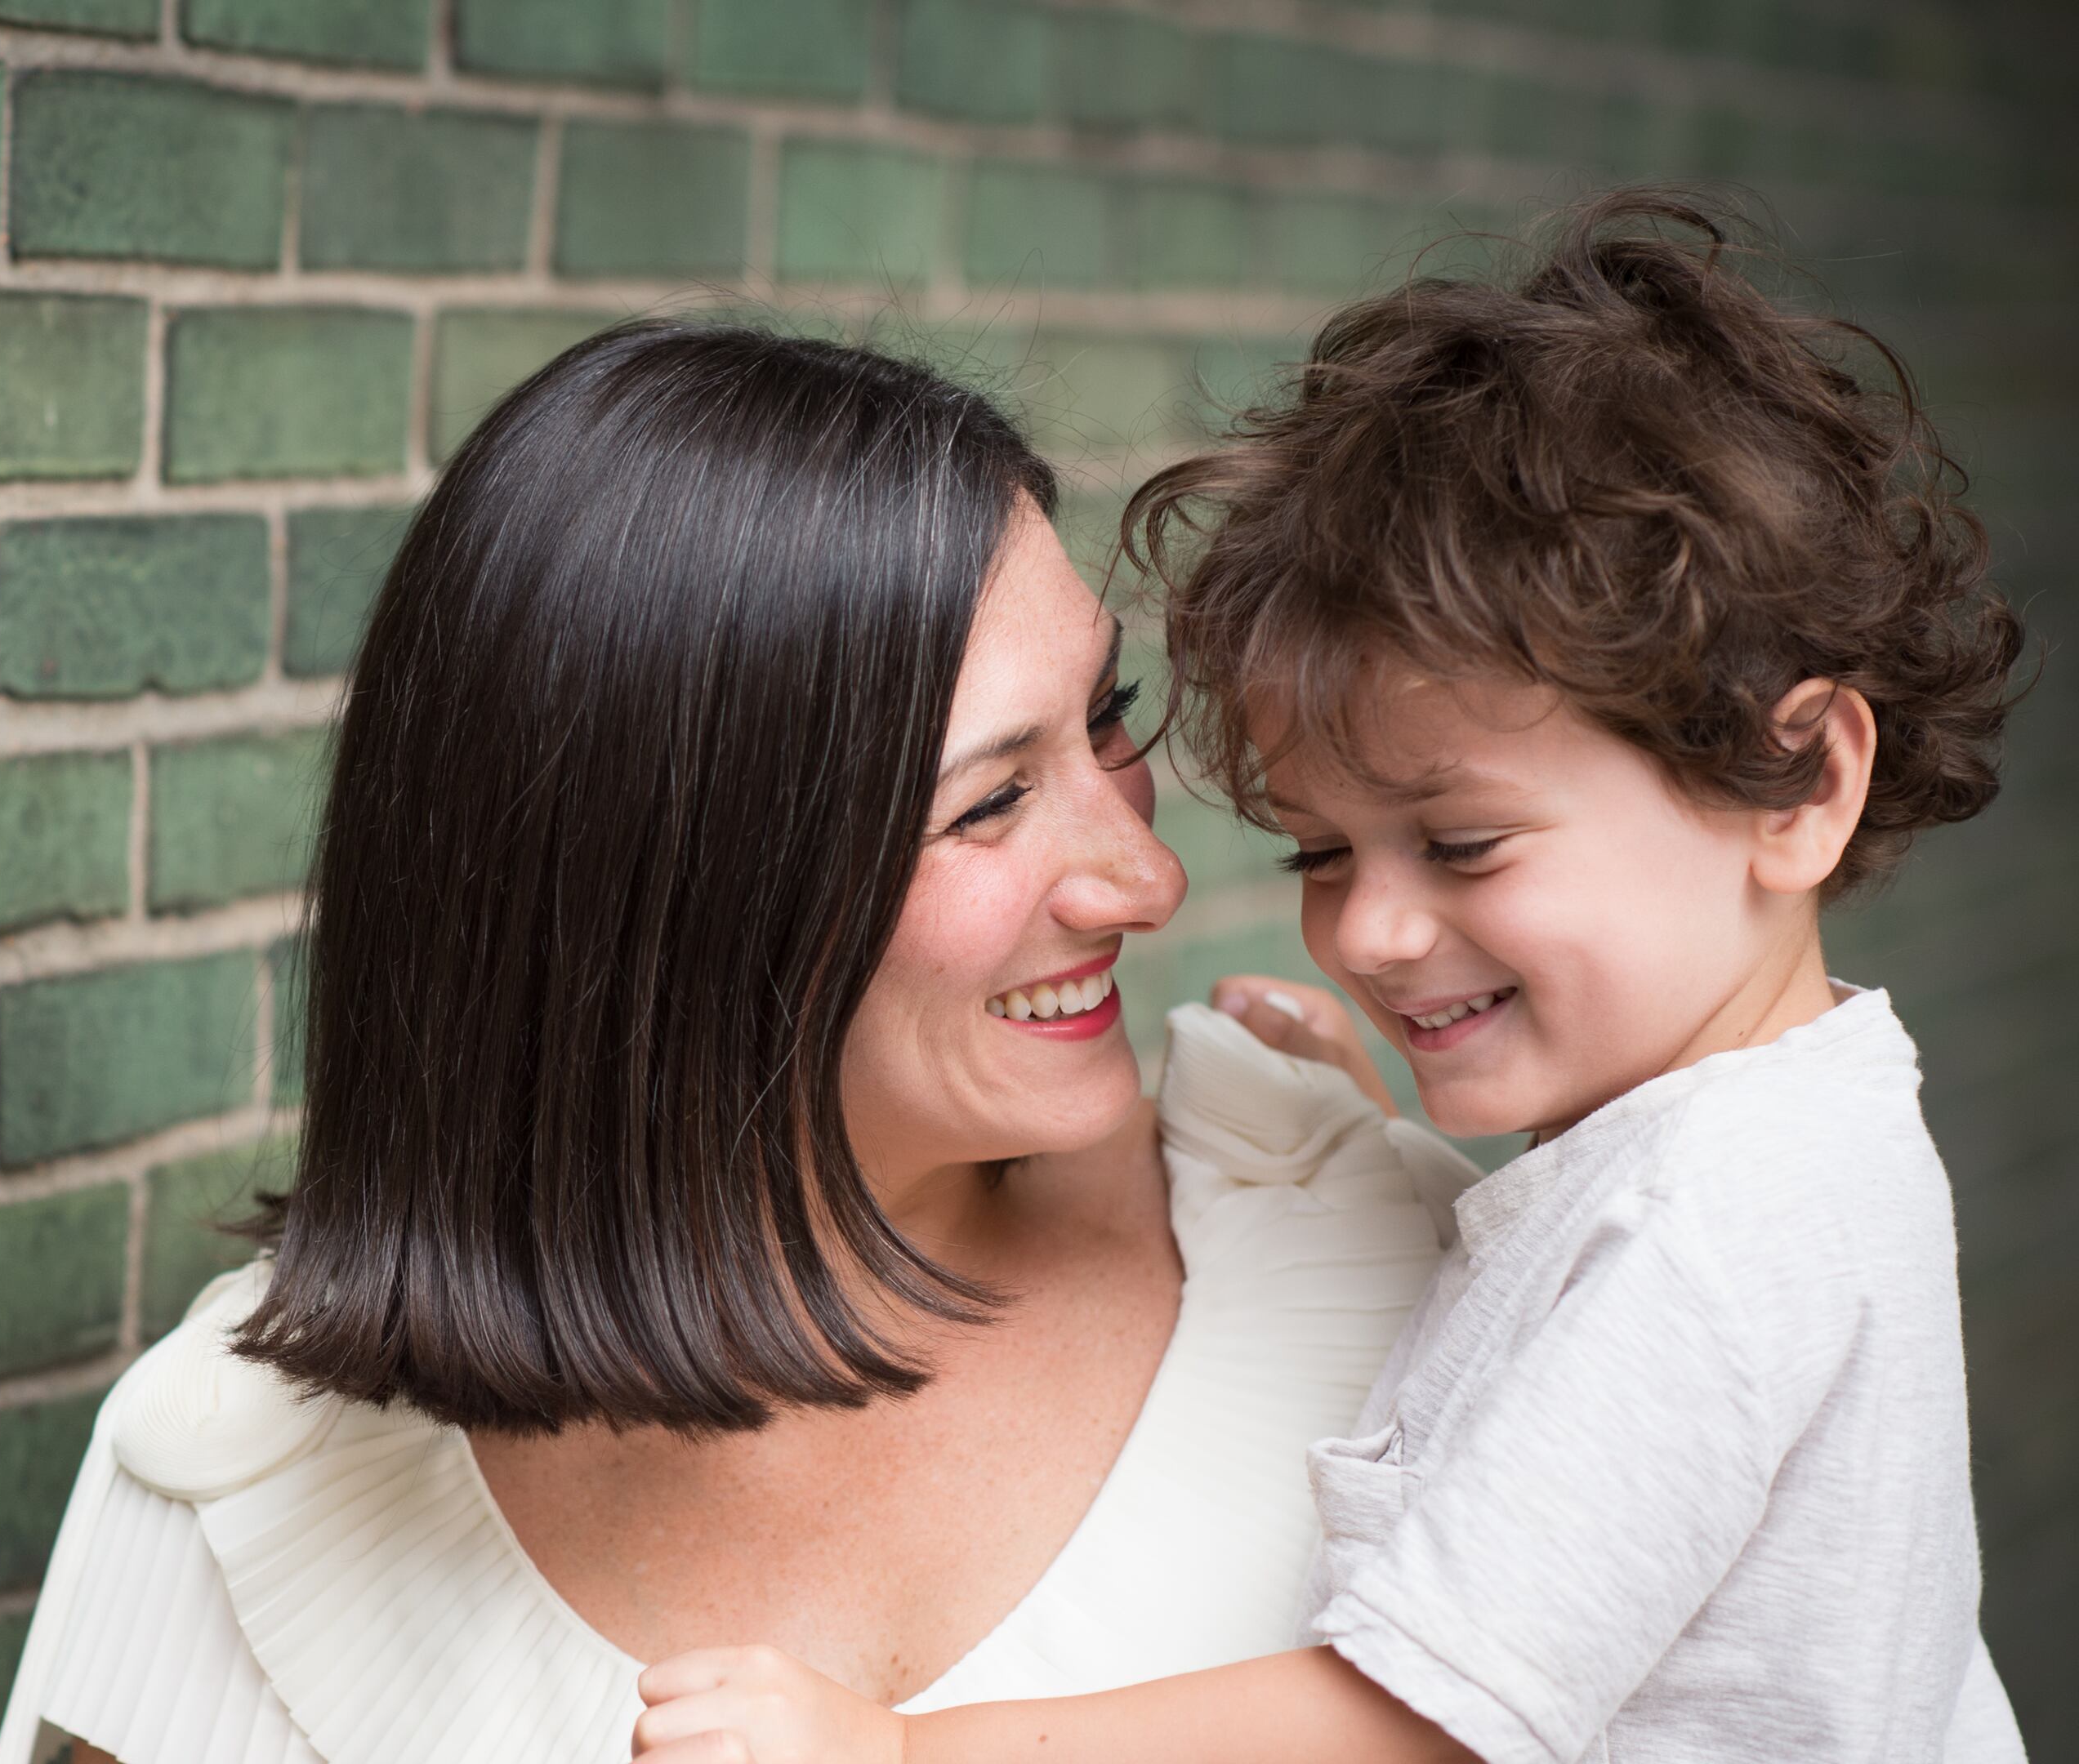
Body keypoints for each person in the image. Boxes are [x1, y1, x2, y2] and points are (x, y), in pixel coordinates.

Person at [631, 193, 2028, 1763]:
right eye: (1321, 855)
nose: (1369, 935)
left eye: (1465, 844)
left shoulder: (1710, 1234)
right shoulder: (1754, 1146)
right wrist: (1375, 1137)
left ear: (1802, 782)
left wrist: (901, 1752)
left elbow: (1416, 1724)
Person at [0, 320, 1475, 1764]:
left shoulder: (1361, 1264)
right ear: (670, 910)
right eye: (990, 803)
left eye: (1105, 720)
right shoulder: (247, 1476)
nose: (1148, 883)